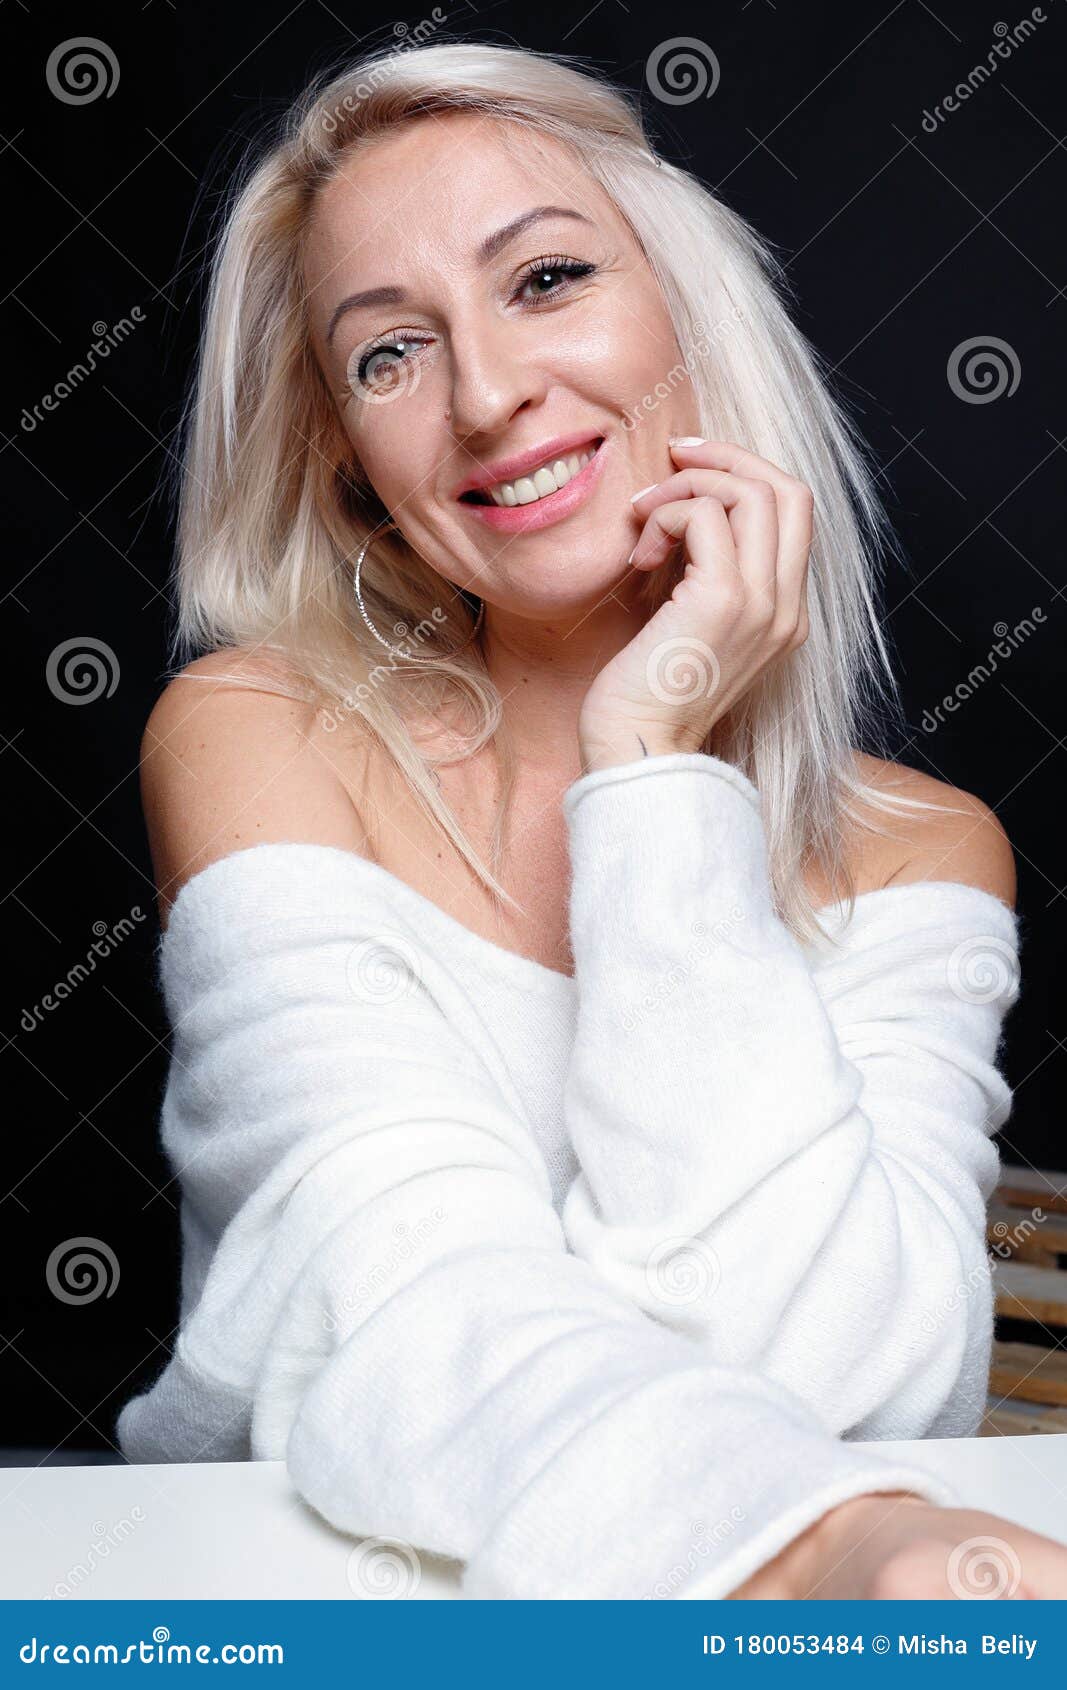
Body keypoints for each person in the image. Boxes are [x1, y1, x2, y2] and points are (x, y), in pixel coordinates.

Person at [116, 40, 1067, 1599]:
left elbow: (860, 1380)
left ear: (692, 317)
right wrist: (826, 1538)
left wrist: (652, 758)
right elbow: (393, 1299)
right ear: (353, 472)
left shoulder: (922, 849)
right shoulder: (258, 736)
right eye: (388, 356)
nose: (487, 395)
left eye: (547, 279)